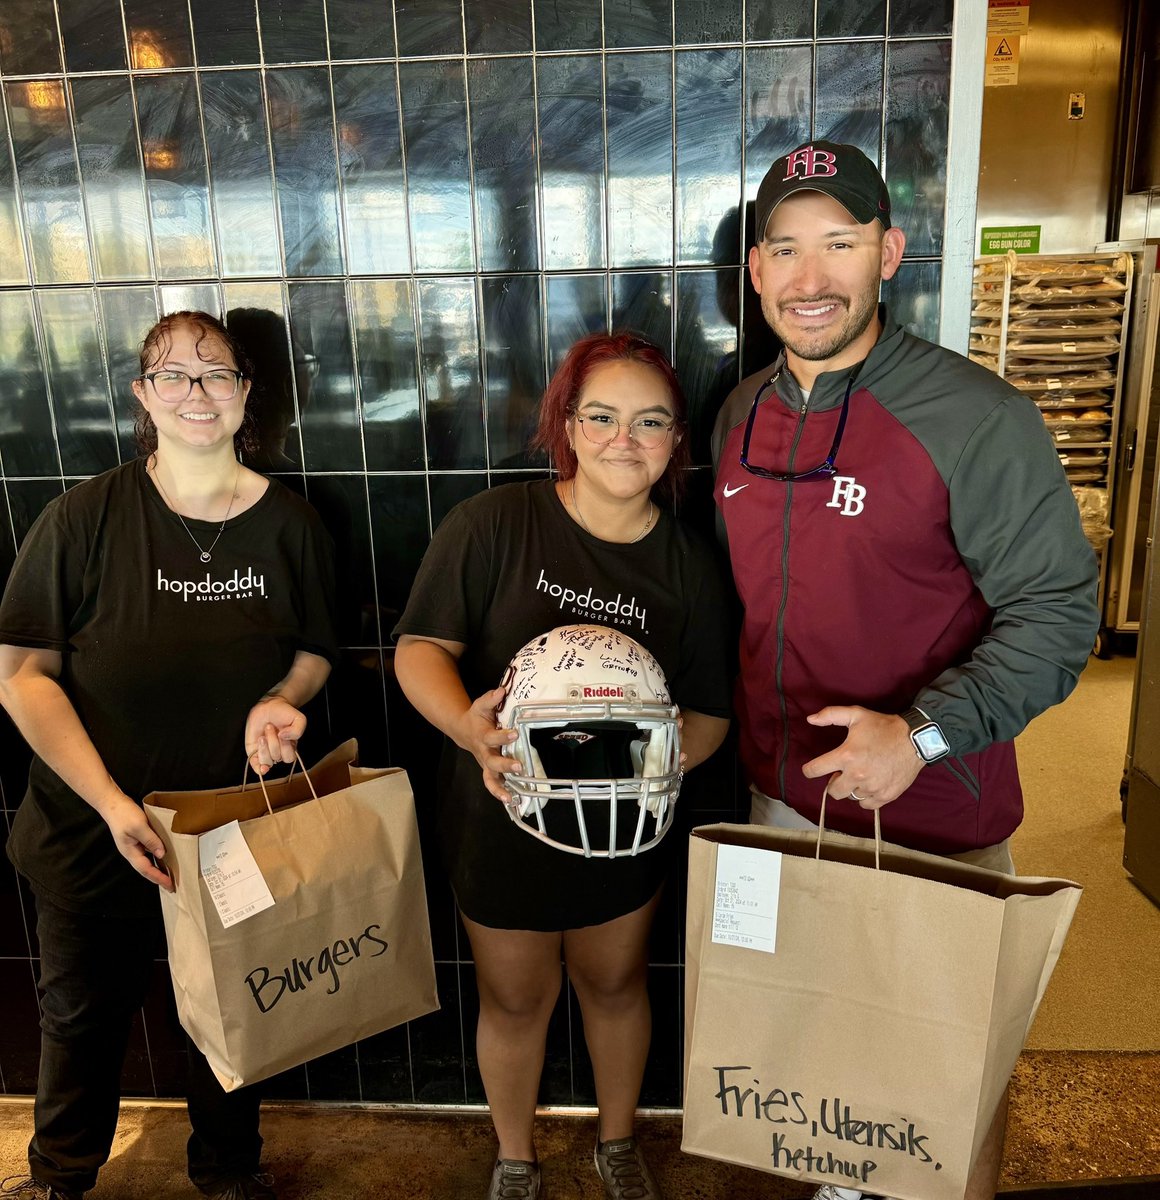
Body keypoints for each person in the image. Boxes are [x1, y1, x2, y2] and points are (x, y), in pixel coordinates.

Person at [711, 141, 1100, 1200]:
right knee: (816, 1073)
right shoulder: (740, 416)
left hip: (932, 812)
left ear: (888, 253)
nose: (810, 277)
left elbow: (1059, 614)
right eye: (785, 248)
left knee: (941, 1094)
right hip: (781, 808)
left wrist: (921, 735)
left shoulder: (975, 418)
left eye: (838, 243)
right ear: (755, 270)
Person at [0, 311, 337, 1200]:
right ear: (143, 396)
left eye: (217, 373)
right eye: (173, 375)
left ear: (245, 394)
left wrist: (284, 697)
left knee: (232, 1007)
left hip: (229, 830)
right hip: (90, 825)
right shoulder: (82, 518)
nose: (197, 392)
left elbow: (315, 651)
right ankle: (59, 1178)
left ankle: (228, 1171)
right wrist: (115, 807)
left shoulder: (292, 524)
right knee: (80, 1015)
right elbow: (23, 677)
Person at [393, 333, 732, 1200]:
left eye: (650, 421)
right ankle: (516, 1156)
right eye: (602, 417)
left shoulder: (691, 563)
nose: (625, 439)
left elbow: (711, 713)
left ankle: (617, 1143)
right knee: (513, 1000)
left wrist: (659, 765)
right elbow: (420, 649)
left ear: (676, 438)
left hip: (626, 828)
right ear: (568, 427)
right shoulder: (494, 524)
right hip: (500, 815)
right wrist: (467, 729)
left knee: (615, 984)